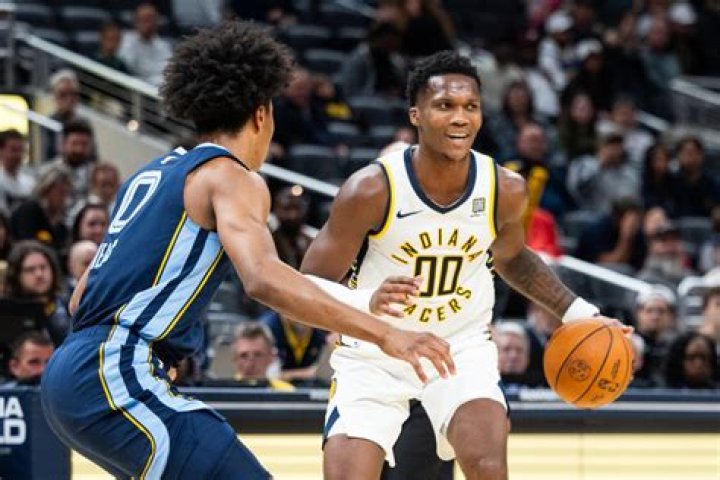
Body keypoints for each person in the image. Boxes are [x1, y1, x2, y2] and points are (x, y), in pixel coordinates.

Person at [40, 21, 453, 480]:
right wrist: (385, 333)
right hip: (114, 372)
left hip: (69, 378)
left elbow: (80, 299)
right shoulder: (232, 176)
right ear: (261, 114)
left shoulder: (151, 175)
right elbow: (263, 278)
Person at [300, 50, 626, 480]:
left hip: (459, 346)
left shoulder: (504, 188)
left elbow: (512, 257)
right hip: (375, 351)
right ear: (416, 115)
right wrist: (365, 301)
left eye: (470, 106)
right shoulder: (371, 190)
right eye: (444, 105)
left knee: (488, 468)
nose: (460, 117)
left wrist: (580, 314)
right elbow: (305, 286)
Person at [4, 240, 71, 345]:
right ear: (16, 275)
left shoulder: (69, 305)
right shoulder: (7, 314)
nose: (39, 274)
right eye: (30, 270)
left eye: (43, 267)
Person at [231, 321, 294, 390]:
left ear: (271, 356)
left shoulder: (286, 392)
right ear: (234, 358)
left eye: (258, 355)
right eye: (244, 356)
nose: (250, 364)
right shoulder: (225, 391)